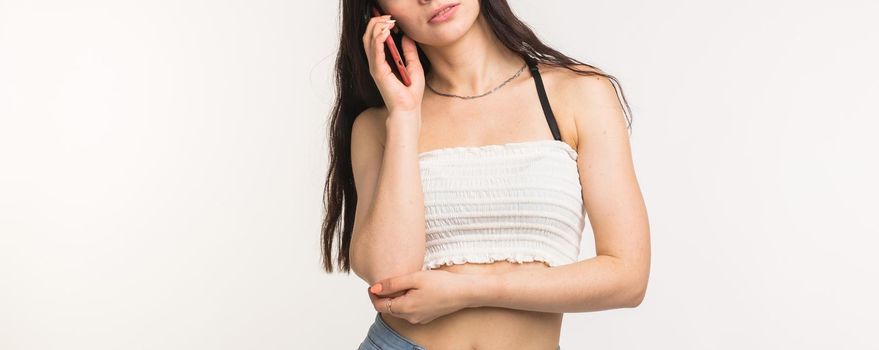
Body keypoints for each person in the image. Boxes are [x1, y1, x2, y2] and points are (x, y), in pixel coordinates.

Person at [320, 1, 651, 349]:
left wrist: (466, 291)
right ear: (378, 12)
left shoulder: (579, 94)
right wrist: (404, 115)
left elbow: (627, 277)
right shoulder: (377, 126)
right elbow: (389, 276)